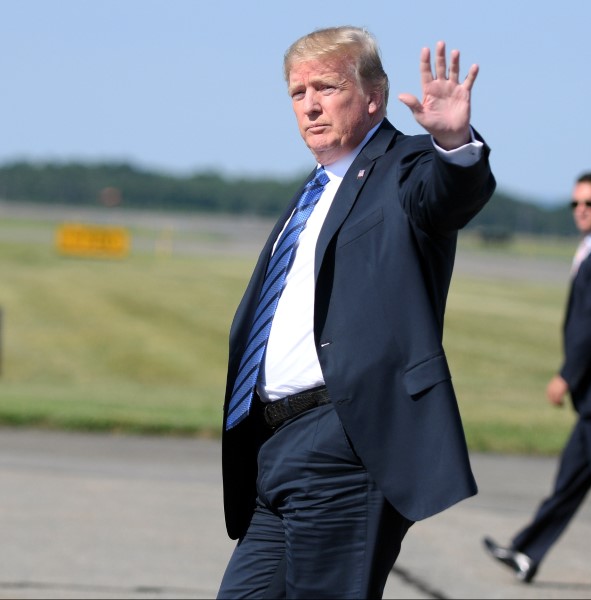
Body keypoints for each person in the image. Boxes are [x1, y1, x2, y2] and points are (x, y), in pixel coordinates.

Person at [217, 26, 495, 599]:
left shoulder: (406, 167)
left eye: (328, 87)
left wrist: (455, 142)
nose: (311, 105)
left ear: (373, 97)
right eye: (298, 93)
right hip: (273, 447)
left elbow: (448, 196)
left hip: (345, 442)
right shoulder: (315, 190)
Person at [483, 172, 591, 598]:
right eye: (576, 204)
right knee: (571, 479)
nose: (582, 211)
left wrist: (567, 374)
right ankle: (527, 552)